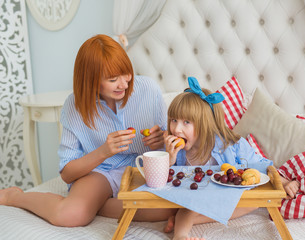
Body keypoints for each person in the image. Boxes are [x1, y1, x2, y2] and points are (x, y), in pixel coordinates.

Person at [0, 34, 176, 226]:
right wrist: (104, 151)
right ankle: (15, 197)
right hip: (100, 173)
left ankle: (96, 206)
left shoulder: (149, 90)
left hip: (142, 170)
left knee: (169, 207)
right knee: (68, 216)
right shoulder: (73, 107)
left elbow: (171, 147)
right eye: (113, 79)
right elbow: (67, 173)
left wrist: (162, 140)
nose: (124, 83)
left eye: (126, 73)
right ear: (91, 80)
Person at [163, 77, 273, 240]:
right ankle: (180, 236)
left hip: (223, 196)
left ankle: (188, 220)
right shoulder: (174, 148)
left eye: (186, 122)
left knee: (256, 202)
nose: (177, 129)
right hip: (192, 199)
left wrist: (283, 182)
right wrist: (169, 160)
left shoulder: (231, 145)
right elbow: (160, 182)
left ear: (204, 124)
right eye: (174, 120)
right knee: (189, 207)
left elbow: (262, 166)